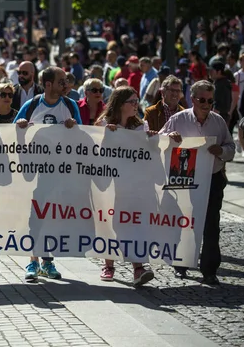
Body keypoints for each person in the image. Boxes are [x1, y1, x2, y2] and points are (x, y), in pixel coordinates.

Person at [160, 80, 235, 285]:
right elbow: (158, 141)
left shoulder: (218, 122)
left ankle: (210, 270)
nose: (206, 104)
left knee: (211, 225)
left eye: (210, 101)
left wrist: (221, 151)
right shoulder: (178, 119)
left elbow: (230, 146)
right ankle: (181, 264)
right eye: (202, 100)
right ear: (192, 99)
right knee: (185, 222)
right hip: (185, 178)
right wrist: (168, 137)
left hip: (212, 178)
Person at [14, 67, 82, 281]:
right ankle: (33, 261)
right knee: (36, 217)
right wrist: (20, 125)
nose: (66, 85)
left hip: (60, 174)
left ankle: (48, 261)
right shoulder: (32, 104)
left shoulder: (70, 105)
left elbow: (83, 136)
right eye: (61, 82)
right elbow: (12, 131)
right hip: (35, 173)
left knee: (53, 217)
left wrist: (75, 127)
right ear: (49, 84)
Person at [94, 86, 156, 285]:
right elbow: (93, 150)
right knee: (109, 224)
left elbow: (147, 152)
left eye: (137, 101)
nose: (136, 105)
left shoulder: (141, 127)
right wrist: (105, 134)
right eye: (132, 101)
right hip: (110, 184)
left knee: (132, 224)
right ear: (121, 104)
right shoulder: (104, 123)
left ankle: (138, 268)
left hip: (132, 185)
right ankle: (108, 265)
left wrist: (154, 139)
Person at [235, 53, 244, 157]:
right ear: (240, 62)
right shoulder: (237, 75)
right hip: (241, 103)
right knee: (241, 125)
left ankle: (238, 140)